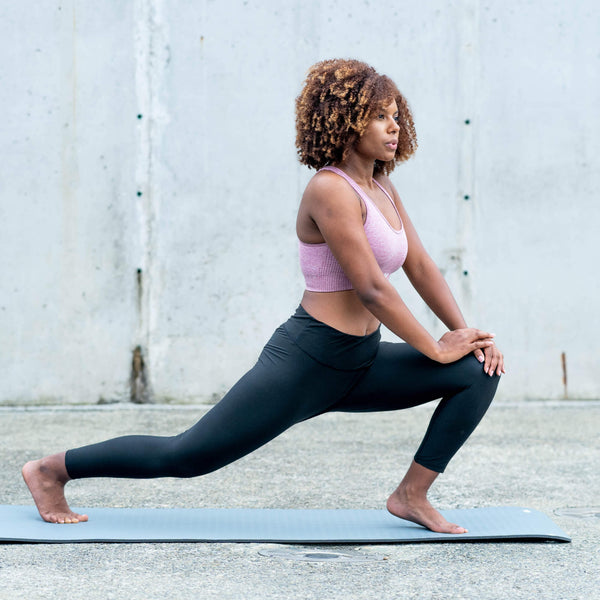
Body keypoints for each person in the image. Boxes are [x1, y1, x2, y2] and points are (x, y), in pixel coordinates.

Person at [23, 58, 503, 534]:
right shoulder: (330, 190)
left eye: (397, 115)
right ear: (345, 118)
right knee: (188, 455)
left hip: (361, 361)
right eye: (380, 115)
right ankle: (51, 470)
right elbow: (374, 289)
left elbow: (418, 264)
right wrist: (436, 345)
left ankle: (410, 495)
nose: (393, 126)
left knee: (479, 370)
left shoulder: (382, 186)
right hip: (307, 361)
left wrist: (466, 334)